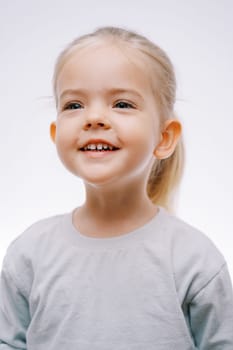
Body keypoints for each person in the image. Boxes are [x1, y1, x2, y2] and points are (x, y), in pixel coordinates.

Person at [0, 26, 232, 350]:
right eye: (74, 105)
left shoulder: (194, 260)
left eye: (122, 104)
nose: (94, 117)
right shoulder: (28, 255)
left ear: (164, 138)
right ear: (56, 133)